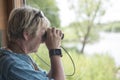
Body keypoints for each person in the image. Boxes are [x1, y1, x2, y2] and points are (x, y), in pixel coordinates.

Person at [0, 7, 65, 80]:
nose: (43, 41)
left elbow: (45, 77)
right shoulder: (13, 65)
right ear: (27, 34)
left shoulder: (17, 56)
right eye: (43, 34)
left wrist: (55, 46)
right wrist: (54, 51)